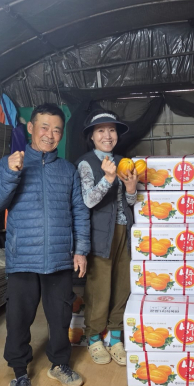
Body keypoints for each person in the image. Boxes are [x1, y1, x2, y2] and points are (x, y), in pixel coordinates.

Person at [0, 103, 90, 386]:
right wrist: (10, 173)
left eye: (57, 129)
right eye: (44, 127)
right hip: (23, 257)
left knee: (60, 316)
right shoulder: (11, 164)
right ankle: (19, 375)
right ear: (30, 128)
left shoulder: (67, 170)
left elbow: (79, 211)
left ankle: (59, 364)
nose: (50, 135)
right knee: (19, 318)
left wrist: (81, 250)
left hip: (59, 257)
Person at [75, 109, 138, 366]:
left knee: (123, 285)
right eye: (100, 130)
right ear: (91, 136)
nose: (107, 135)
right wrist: (109, 179)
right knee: (99, 288)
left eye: (111, 130)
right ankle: (93, 337)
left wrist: (131, 189)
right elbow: (88, 201)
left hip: (124, 230)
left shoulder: (124, 161)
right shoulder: (86, 163)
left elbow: (130, 202)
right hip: (100, 233)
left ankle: (115, 337)